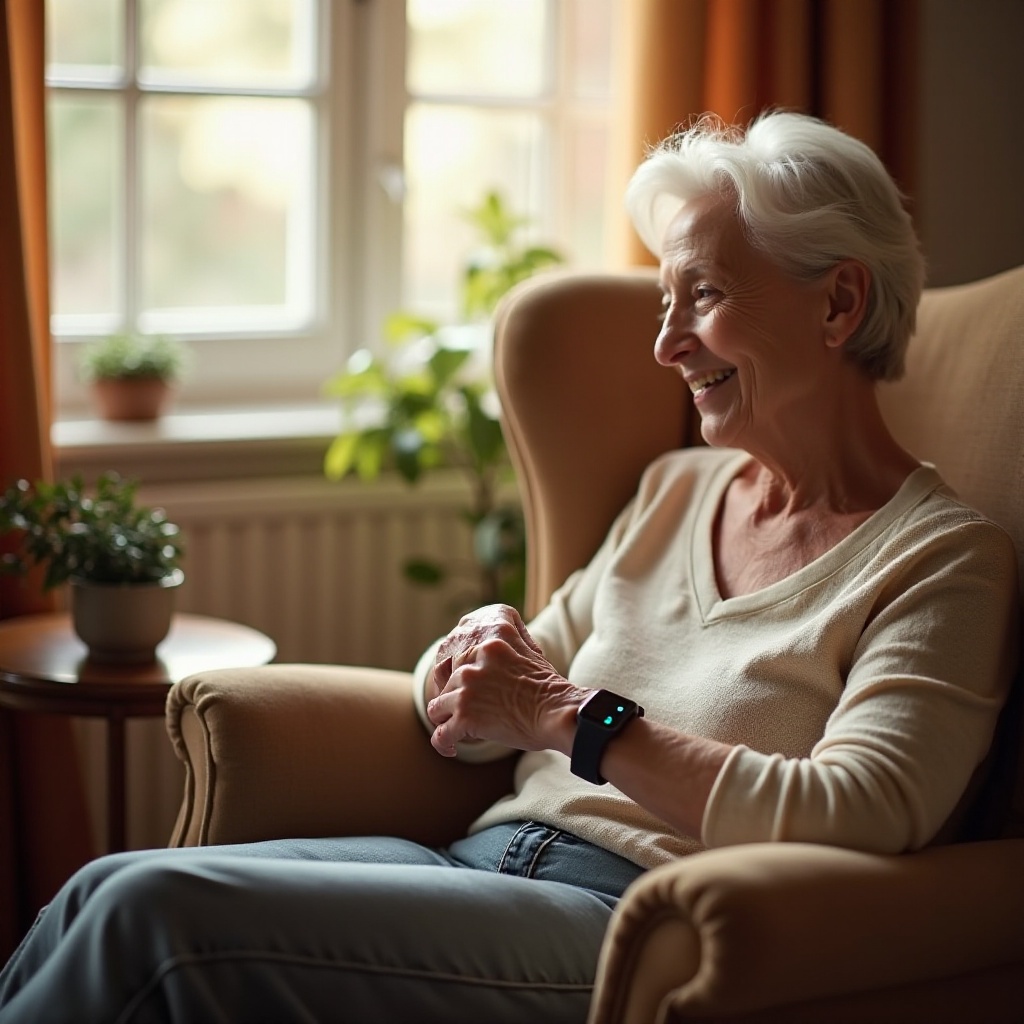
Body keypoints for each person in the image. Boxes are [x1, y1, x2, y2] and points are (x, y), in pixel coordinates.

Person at [0, 111, 1018, 1024]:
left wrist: (568, 716)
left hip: (629, 926)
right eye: (664, 302)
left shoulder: (941, 561)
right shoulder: (676, 491)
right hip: (478, 860)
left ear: (838, 303)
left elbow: (860, 812)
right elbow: (507, 694)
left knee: (153, 918)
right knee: (103, 887)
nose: (667, 346)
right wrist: (466, 659)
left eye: (703, 296)